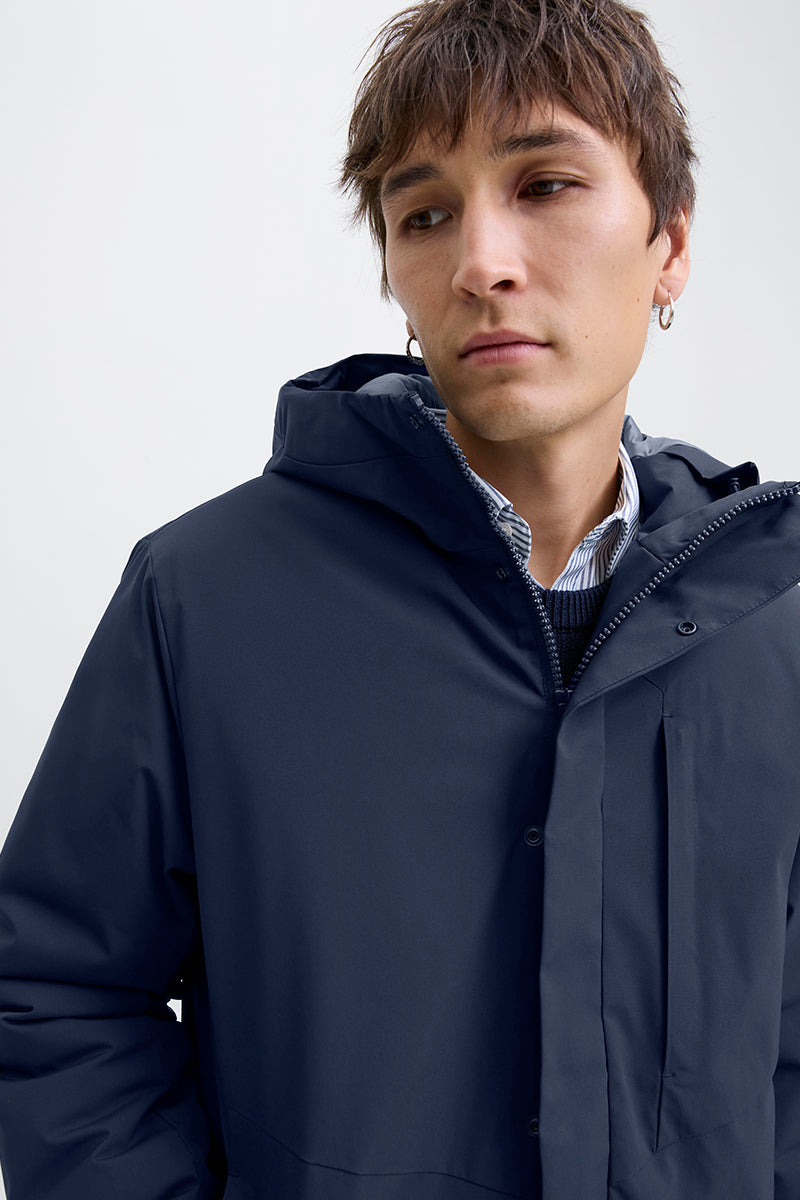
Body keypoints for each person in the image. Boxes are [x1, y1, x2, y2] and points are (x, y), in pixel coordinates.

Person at [1, 0, 799, 1196]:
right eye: (423, 214)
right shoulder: (205, 600)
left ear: (668, 243)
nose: (480, 263)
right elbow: (57, 989)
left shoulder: (772, 621)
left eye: (544, 186)